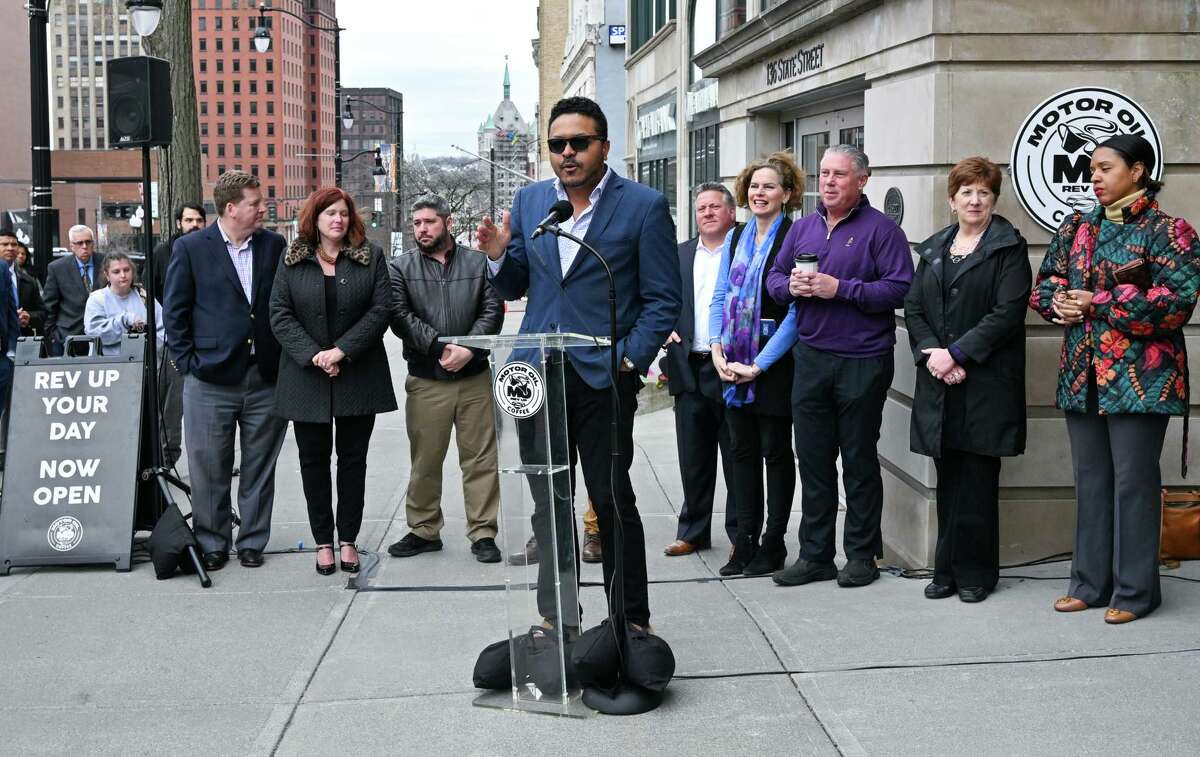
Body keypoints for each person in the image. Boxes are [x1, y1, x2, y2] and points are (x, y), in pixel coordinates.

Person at [476, 96, 680, 631]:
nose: (567, 153)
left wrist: (628, 358)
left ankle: (630, 621)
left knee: (612, 500)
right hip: (534, 376)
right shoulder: (530, 202)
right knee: (549, 506)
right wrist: (499, 254)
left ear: (604, 146)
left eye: (579, 142)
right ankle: (556, 620)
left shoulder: (643, 205)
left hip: (604, 378)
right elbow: (518, 281)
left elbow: (662, 300)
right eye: (557, 144)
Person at [1030, 135, 1199, 624]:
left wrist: (1097, 302)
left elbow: (1175, 304)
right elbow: (1047, 284)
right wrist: (1058, 301)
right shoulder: (1077, 226)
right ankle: (1088, 583)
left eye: (1105, 168)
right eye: (1091, 169)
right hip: (1081, 375)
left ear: (1138, 170)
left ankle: (1135, 592)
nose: (1095, 177)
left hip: (1142, 383)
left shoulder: (1170, 231)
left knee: (1133, 484)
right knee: (1091, 481)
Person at [765, 145, 913, 589]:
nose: (827, 182)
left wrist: (840, 289)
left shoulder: (882, 231)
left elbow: (899, 288)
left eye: (839, 175)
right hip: (810, 357)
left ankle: (862, 555)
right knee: (812, 460)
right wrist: (789, 285)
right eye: (824, 174)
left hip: (862, 359)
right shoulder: (803, 228)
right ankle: (815, 556)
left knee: (858, 459)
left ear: (862, 181)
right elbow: (772, 279)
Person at [905, 157, 1031, 603]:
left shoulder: (1007, 248)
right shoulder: (935, 247)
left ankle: (977, 575)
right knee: (949, 478)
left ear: (994, 199)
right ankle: (946, 571)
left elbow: (1007, 313)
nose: (975, 200)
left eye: (983, 193)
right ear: (951, 199)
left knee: (978, 481)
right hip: (940, 380)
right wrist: (934, 356)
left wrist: (957, 354)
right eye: (966, 192)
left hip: (985, 384)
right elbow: (915, 308)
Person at [163, 170, 288, 571]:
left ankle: (252, 540)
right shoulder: (191, 248)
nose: (263, 208)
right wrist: (187, 363)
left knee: (259, 466)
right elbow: (175, 313)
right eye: (256, 203)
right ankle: (212, 541)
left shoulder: (274, 245)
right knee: (208, 466)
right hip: (209, 379)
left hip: (264, 376)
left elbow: (280, 305)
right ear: (231, 208)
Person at [271, 187, 396, 575]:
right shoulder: (293, 258)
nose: (337, 220)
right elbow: (279, 313)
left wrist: (341, 350)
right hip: (306, 377)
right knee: (313, 461)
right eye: (329, 214)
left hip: (358, 373)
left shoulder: (369, 256)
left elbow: (381, 309)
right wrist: (315, 355)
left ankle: (348, 540)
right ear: (315, 218)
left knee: (352, 461)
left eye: (343, 213)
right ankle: (323, 540)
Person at [386, 195, 504, 564]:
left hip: (474, 380)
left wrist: (470, 348)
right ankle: (424, 530)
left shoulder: (479, 262)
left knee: (480, 459)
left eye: (429, 222)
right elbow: (400, 317)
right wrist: (440, 349)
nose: (421, 229)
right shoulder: (400, 267)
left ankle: (483, 532)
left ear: (448, 223)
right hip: (427, 380)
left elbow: (491, 309)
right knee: (425, 460)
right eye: (416, 223)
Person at [707, 154, 803, 577]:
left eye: (769, 186)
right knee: (741, 453)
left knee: (775, 453)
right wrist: (716, 350)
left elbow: (798, 313)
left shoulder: (796, 236)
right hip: (732, 362)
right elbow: (719, 296)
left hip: (773, 366)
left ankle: (774, 543)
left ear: (786, 194)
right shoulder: (736, 236)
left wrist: (759, 366)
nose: (759, 193)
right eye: (754, 186)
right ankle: (743, 541)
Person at [660, 183, 738, 558]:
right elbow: (660, 299)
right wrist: (664, 327)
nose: (706, 213)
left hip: (731, 369)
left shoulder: (742, 251)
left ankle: (742, 532)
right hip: (689, 367)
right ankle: (693, 531)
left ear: (731, 213)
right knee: (693, 458)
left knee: (738, 455)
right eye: (701, 208)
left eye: (714, 207)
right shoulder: (679, 255)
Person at [148, 203, 206, 468]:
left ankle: (205, 460)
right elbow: (152, 290)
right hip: (172, 339)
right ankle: (165, 458)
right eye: (189, 220)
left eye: (199, 220)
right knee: (170, 405)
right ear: (178, 223)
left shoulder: (211, 248)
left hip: (206, 338)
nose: (194, 224)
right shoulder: (163, 252)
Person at [83, 252, 164, 355]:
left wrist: (147, 341)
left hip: (143, 366)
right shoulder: (97, 299)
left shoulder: (144, 297)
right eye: (116, 272)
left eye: (126, 270)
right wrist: (125, 321)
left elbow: (164, 330)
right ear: (107, 275)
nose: (123, 275)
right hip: (110, 367)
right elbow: (94, 333)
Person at [43, 224, 106, 355]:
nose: (84, 246)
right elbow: (49, 305)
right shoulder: (57, 268)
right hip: (67, 336)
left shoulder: (105, 262)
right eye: (79, 243)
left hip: (102, 334)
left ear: (93, 243)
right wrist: (52, 336)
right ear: (72, 246)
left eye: (88, 242)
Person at [0, 232, 45, 337]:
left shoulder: (29, 281)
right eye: (5, 244)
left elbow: (42, 312)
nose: (10, 248)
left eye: (14, 244)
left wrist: (28, 316)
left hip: (22, 342)